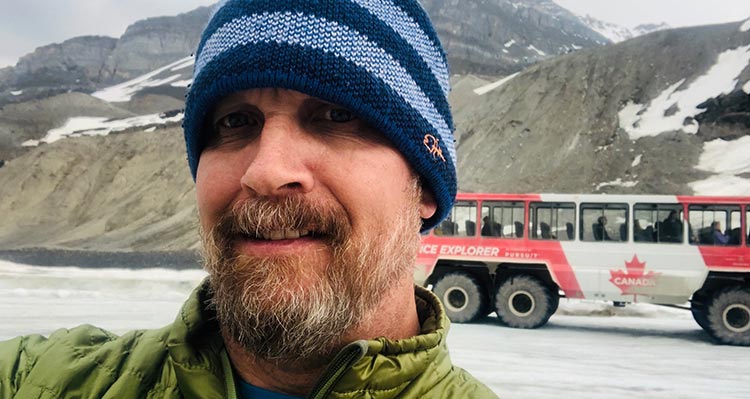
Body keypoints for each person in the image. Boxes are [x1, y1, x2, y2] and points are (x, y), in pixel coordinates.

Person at [0, 1, 497, 398]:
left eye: (336, 117)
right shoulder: (44, 381)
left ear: (426, 188)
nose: (265, 172)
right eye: (235, 122)